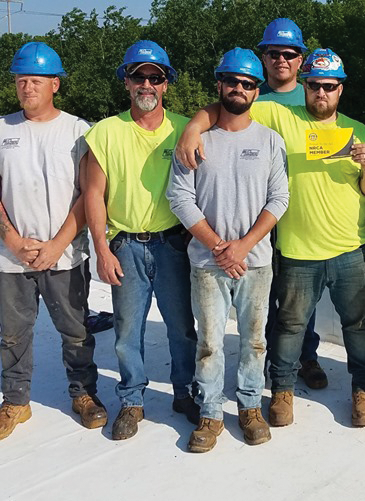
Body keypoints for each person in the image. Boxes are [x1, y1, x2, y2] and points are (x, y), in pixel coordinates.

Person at [175, 48, 365, 428]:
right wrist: (192, 127)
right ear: (305, 86)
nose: (322, 93)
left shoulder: (360, 131)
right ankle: (283, 389)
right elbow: (230, 103)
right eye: (315, 86)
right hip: (298, 251)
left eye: (330, 87)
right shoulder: (280, 116)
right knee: (289, 326)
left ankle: (363, 391)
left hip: (351, 249)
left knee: (358, 325)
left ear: (341, 90)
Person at [167, 48, 289, 452]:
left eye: (248, 83)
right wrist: (220, 246)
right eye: (232, 81)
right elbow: (180, 198)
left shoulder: (270, 141)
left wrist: (244, 246)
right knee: (210, 342)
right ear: (219, 84)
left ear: (257, 91)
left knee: (255, 340)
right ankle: (211, 411)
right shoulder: (196, 139)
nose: (239, 88)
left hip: (255, 263)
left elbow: (279, 199)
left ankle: (251, 406)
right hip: (207, 262)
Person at [84, 40, 199, 441]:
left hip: (174, 245)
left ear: (167, 84)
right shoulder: (106, 132)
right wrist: (101, 248)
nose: (147, 84)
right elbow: (93, 194)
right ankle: (132, 400)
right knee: (126, 332)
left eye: (156, 77)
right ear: (127, 83)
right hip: (126, 246)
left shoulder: (186, 129)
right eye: (139, 76)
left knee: (182, 328)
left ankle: (185, 393)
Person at [0, 42, 106, 439]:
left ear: (55, 84)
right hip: (11, 258)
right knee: (12, 333)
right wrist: (11, 239)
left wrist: (58, 243)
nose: (27, 88)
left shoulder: (78, 130)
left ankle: (83, 393)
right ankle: (15, 400)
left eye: (36, 81)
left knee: (76, 329)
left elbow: (89, 194)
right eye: (21, 80)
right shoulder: (2, 129)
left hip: (65, 254)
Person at [256, 17, 326, 389]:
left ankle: (307, 356)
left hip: (301, 214)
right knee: (265, 294)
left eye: (289, 53)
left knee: (303, 298)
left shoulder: (316, 93)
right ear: (263, 58)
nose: (281, 59)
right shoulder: (250, 94)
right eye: (273, 53)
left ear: (301, 59)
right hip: (257, 213)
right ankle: (269, 356)